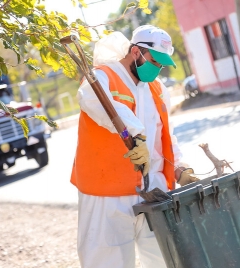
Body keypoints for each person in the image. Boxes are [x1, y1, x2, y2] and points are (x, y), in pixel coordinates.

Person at [70, 25, 200, 268]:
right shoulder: (102, 78)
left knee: (166, 258)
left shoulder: (157, 89)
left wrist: (179, 168)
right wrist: (136, 134)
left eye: (162, 64)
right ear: (136, 52)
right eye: (155, 61)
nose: (159, 68)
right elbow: (96, 102)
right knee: (108, 261)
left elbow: (165, 136)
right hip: (107, 193)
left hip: (152, 189)